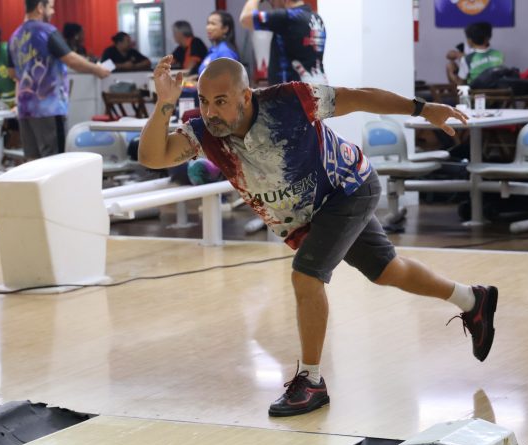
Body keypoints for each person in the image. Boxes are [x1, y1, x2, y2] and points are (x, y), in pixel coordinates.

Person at [139, 56, 499, 417]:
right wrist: (164, 103)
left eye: (221, 101)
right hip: (311, 215)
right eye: (203, 101)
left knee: (306, 275)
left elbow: (358, 97)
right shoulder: (205, 133)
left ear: (245, 96)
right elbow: (153, 156)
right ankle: (472, 299)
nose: (211, 111)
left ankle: (311, 381)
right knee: (388, 270)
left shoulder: (290, 100)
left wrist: (423, 109)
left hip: (349, 188)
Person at [8, 0, 111, 159]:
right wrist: (96, 69)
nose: (53, 11)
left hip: (25, 110)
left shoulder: (14, 37)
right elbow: (70, 59)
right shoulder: (46, 31)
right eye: (51, 7)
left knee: (33, 161)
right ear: (40, 8)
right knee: (54, 160)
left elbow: (12, 72)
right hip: (48, 108)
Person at [240, 0, 327, 85]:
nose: (271, 3)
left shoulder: (288, 17)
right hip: (319, 87)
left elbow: (245, 19)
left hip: (292, 93)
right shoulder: (317, 19)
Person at [198, 11, 240, 75]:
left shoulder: (225, 51)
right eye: (208, 23)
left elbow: (227, 79)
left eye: (213, 24)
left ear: (225, 29)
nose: (208, 27)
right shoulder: (213, 49)